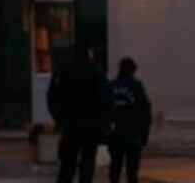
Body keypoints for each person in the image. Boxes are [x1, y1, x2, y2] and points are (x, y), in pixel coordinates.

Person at [47, 42, 112, 183]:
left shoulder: (63, 71)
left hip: (70, 125)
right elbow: (106, 98)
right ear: (89, 53)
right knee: (87, 165)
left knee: (67, 166)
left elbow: (52, 98)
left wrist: (59, 119)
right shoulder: (96, 72)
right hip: (91, 126)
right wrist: (105, 121)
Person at [108, 57, 152, 183]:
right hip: (133, 132)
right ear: (133, 70)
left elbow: (106, 108)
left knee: (115, 165)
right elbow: (145, 108)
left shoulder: (111, 86)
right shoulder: (136, 86)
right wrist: (145, 131)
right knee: (132, 168)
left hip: (115, 131)